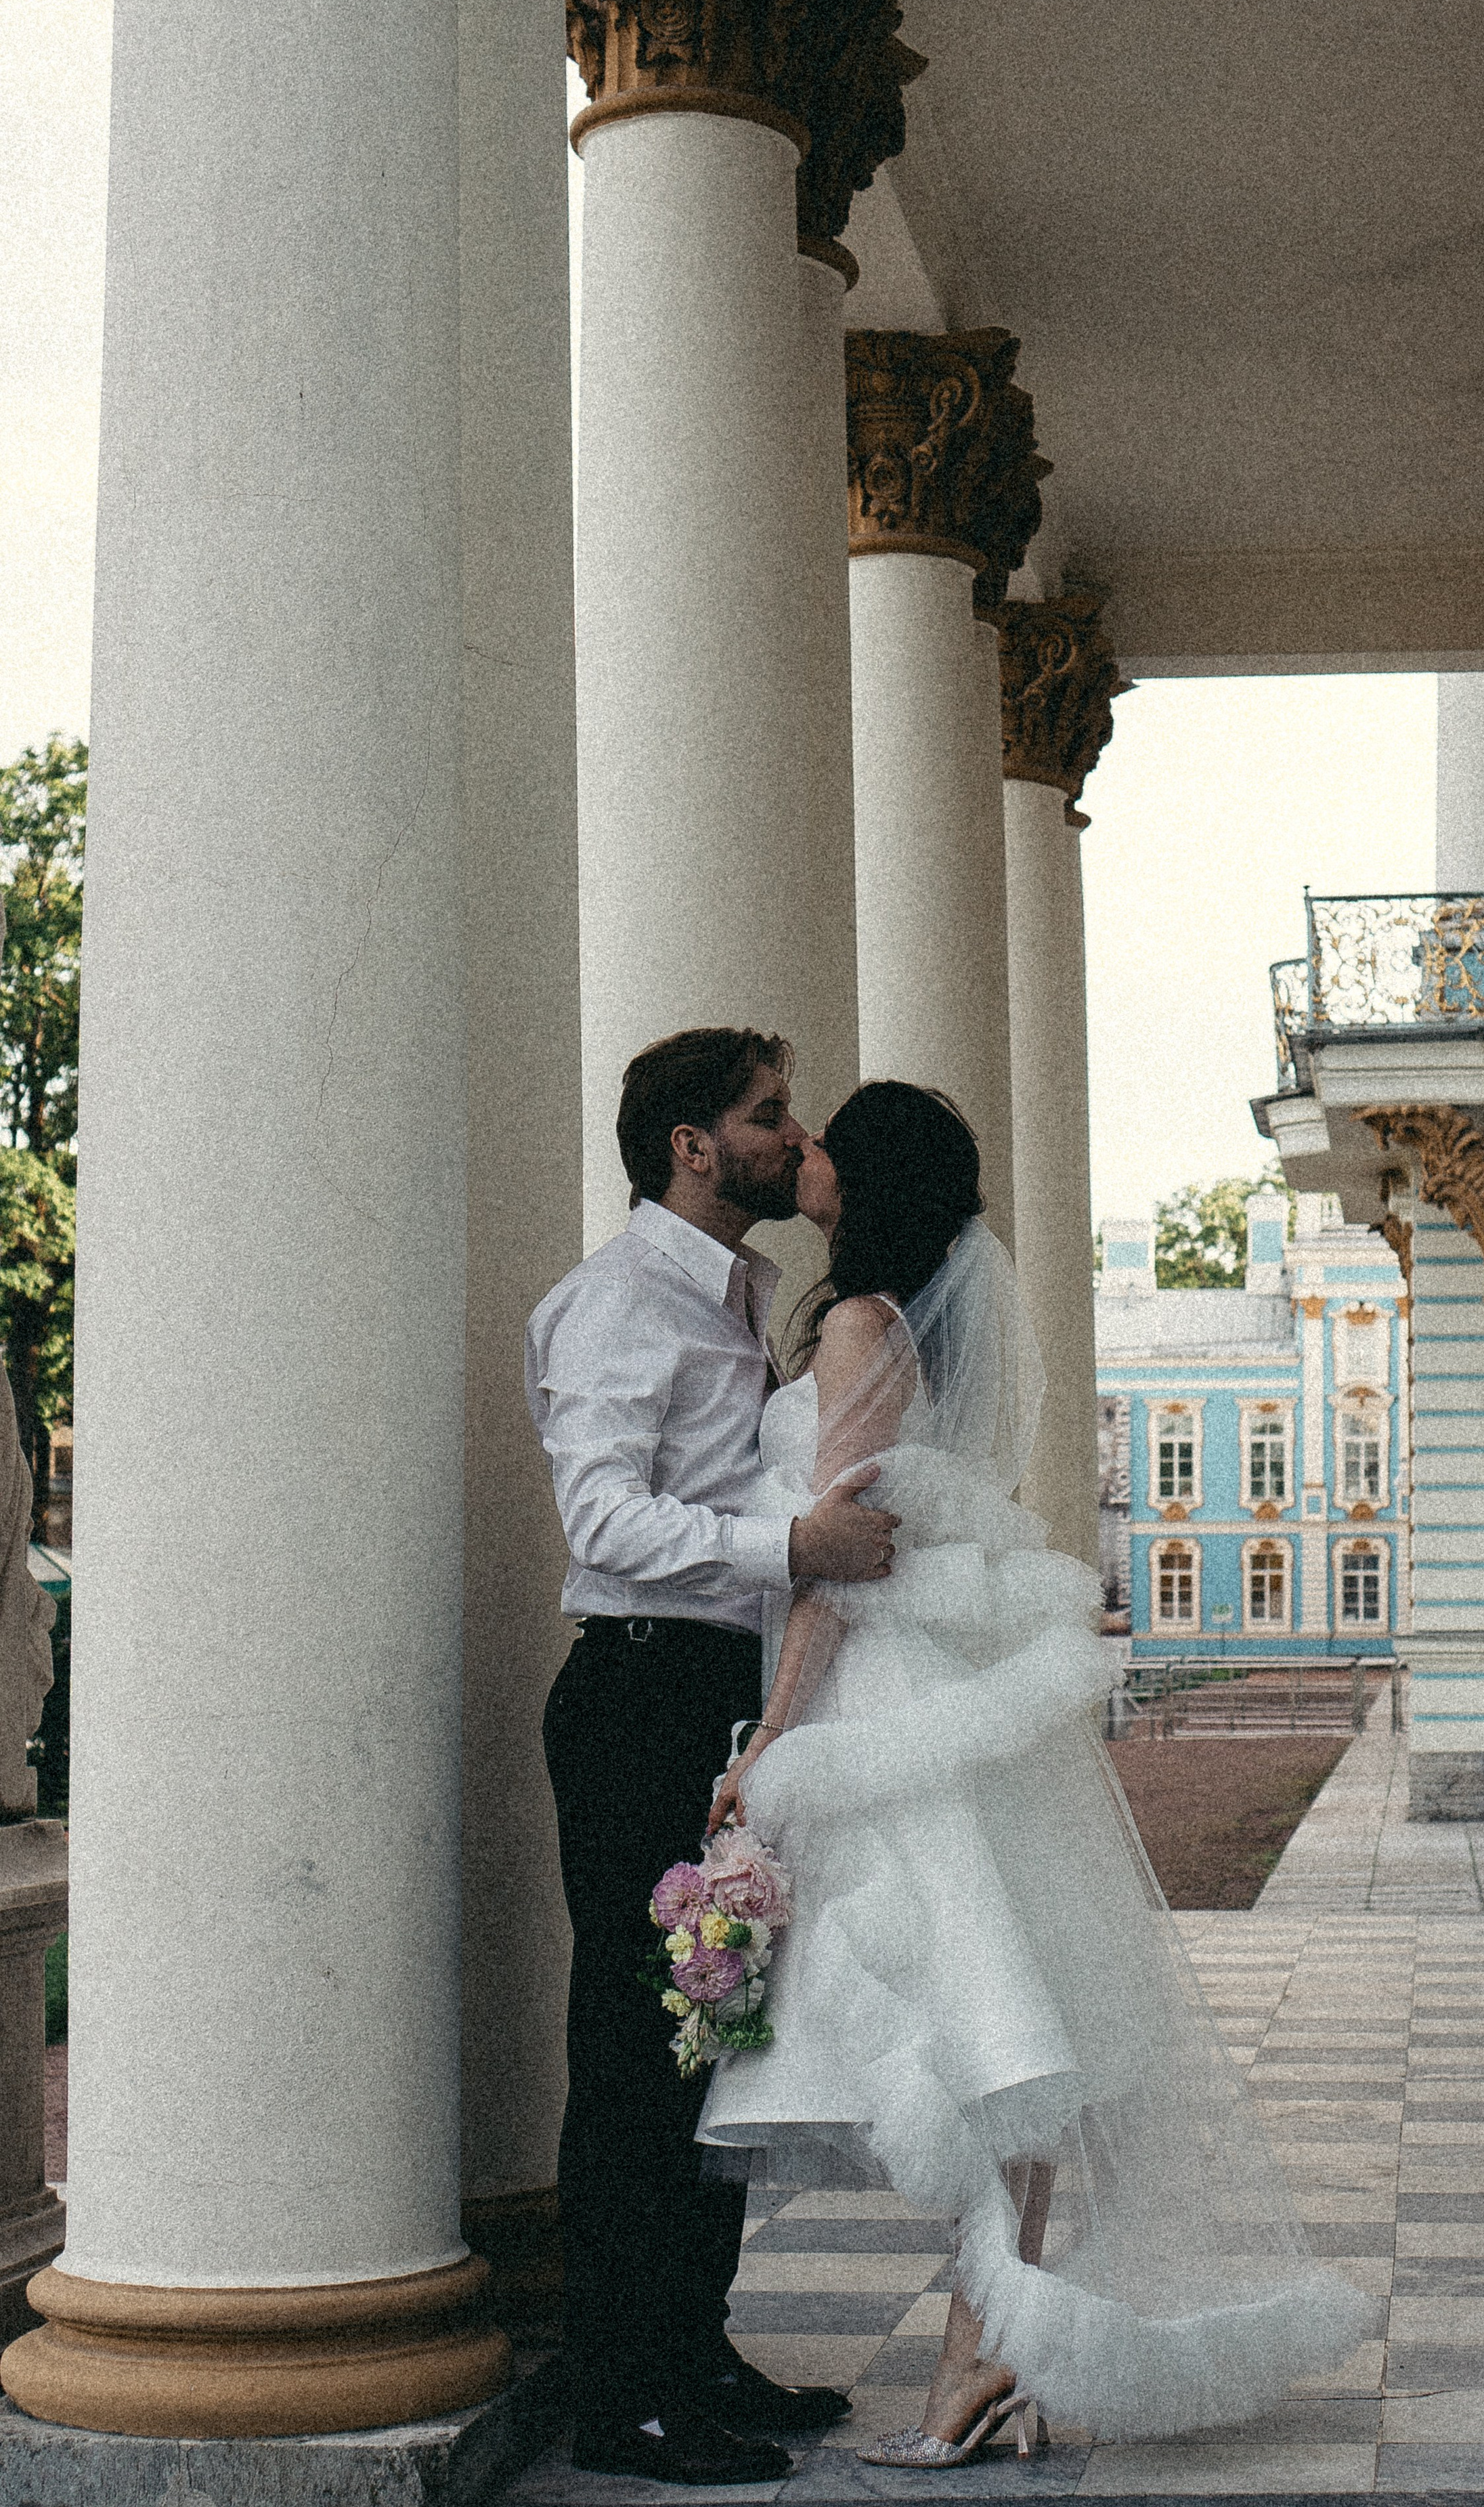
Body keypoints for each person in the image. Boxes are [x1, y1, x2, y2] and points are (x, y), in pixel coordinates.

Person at [699, 1080, 1375, 2463]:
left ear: (864, 1179)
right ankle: (985, 2352)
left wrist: (771, 1743)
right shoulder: (907, 1326)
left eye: (822, 1140)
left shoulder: (858, 1324)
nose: (801, 1149)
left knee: (985, 2028)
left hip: (885, 1700)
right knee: (1002, 2029)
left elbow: (840, 1559)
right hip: (938, 1691)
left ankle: (982, 2355)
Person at [525, 1027, 902, 2486]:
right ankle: (622, 2396)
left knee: (713, 2030)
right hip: (638, 1694)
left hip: (716, 1699)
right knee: (637, 2050)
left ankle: (692, 2346)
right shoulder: (617, 1302)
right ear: (689, 1145)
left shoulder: (732, 1292)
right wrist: (790, 1544)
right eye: (766, 1115)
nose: (792, 1135)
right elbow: (602, 1521)